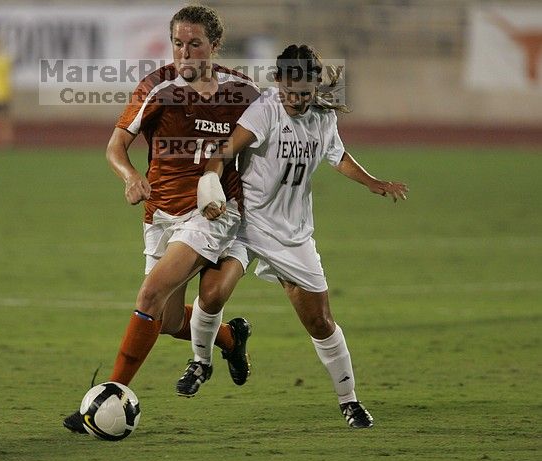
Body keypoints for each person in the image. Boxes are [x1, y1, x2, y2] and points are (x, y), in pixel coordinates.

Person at [63, 5, 260, 434]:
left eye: (195, 44)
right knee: (167, 320)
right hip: (162, 214)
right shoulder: (157, 87)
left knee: (149, 293)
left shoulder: (242, 91)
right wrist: (131, 176)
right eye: (177, 43)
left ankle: (108, 396)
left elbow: (265, 148)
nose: (185, 53)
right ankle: (229, 338)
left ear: (215, 45)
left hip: (214, 212)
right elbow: (115, 147)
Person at [197, 44, 408, 429]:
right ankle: (200, 363)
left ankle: (349, 401)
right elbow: (224, 152)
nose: (297, 99)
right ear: (278, 81)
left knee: (321, 323)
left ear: (315, 85)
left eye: (305, 92)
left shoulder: (323, 117)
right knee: (211, 294)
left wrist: (373, 183)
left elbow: (338, 156)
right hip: (247, 225)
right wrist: (210, 180)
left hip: (293, 235)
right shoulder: (265, 110)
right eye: (290, 90)